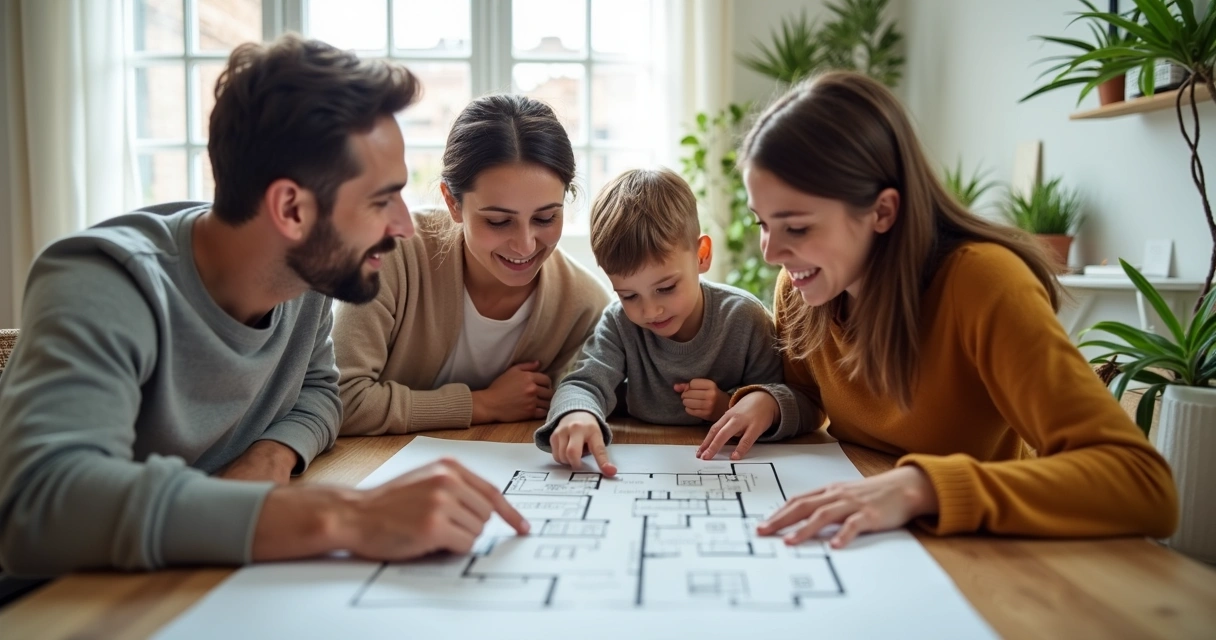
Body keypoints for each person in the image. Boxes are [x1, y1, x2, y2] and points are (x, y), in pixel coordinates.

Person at [0, 35, 526, 577]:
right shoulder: (103, 280)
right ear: (291, 209)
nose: (404, 226)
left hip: (196, 577)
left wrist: (270, 456)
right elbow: (41, 503)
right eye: (379, 200)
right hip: (64, 598)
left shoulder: (309, 275)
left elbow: (320, 391)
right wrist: (346, 515)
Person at [697, 71, 1178, 549]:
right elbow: (807, 394)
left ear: (882, 212)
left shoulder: (984, 283)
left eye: (796, 228)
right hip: (880, 536)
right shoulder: (803, 290)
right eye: (761, 223)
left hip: (994, 552)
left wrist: (922, 487)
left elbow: (1144, 485)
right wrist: (768, 400)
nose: (770, 252)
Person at [334, 95, 610, 435]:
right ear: (452, 202)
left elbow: (597, 396)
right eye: (498, 221)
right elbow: (340, 399)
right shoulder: (391, 257)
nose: (525, 244)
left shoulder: (584, 307)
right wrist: (483, 404)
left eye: (545, 217)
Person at [535, 168, 784, 476]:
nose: (650, 311)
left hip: (729, 465)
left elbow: (786, 397)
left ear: (701, 255)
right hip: (644, 457)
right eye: (629, 295)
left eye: (666, 288)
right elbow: (584, 384)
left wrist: (728, 405)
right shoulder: (619, 323)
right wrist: (578, 411)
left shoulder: (745, 318)